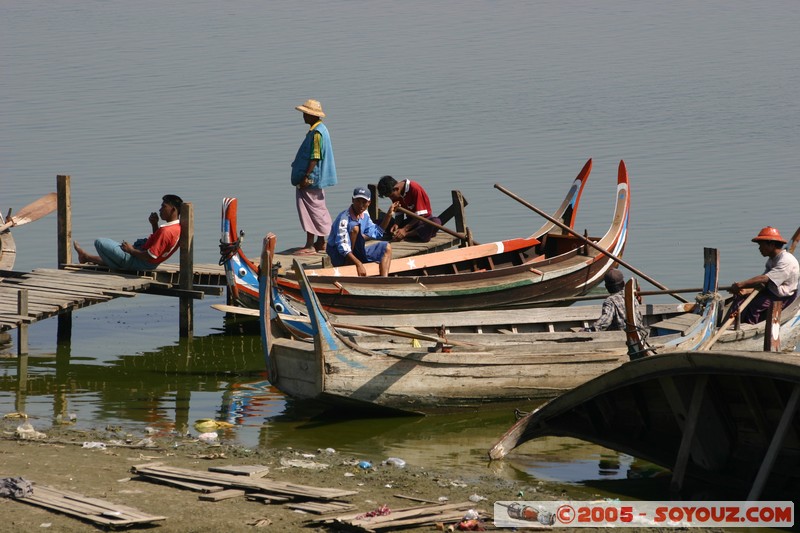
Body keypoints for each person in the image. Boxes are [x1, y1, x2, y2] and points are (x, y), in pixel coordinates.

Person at [74, 195, 183, 271]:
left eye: (164, 207)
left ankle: (118, 265)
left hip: (141, 263)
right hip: (146, 261)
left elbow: (151, 255)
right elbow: (160, 244)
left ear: (173, 210)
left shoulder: (167, 231)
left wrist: (131, 250)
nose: (160, 210)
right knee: (113, 253)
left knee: (100, 242)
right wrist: (154, 224)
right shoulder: (176, 227)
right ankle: (86, 257)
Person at [290, 99, 337, 255]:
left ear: (312, 115)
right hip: (315, 178)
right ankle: (321, 241)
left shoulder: (317, 133)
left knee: (310, 209)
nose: (303, 116)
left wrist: (306, 175)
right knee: (317, 207)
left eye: (306, 113)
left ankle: (311, 245)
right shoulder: (321, 129)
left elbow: (315, 156)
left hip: (312, 179)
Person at [728, 226, 799, 324]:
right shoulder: (772, 259)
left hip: (783, 297)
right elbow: (763, 282)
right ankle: (730, 324)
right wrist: (746, 289)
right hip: (771, 291)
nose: (759, 248)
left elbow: (764, 279)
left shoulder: (786, 261)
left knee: (755, 305)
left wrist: (740, 284)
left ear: (772, 244)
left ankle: (751, 327)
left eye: (761, 245)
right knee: (739, 299)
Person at [326, 187, 394, 276]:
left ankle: (384, 280)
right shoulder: (344, 219)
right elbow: (342, 247)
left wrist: (389, 214)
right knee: (355, 228)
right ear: (353, 200)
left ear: (369, 203)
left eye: (364, 202)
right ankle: (348, 266)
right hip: (339, 255)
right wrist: (358, 264)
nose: (361, 205)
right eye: (358, 201)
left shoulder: (365, 214)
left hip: (355, 251)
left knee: (387, 247)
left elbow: (377, 233)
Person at [376, 175, 441, 242]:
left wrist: (404, 230)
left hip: (422, 221)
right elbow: (399, 213)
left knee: (436, 222)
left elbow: (420, 216)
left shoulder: (415, 189)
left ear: (396, 188)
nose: (391, 199)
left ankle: (406, 234)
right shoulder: (395, 194)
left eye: (391, 196)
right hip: (410, 222)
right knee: (379, 222)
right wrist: (396, 224)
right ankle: (401, 234)